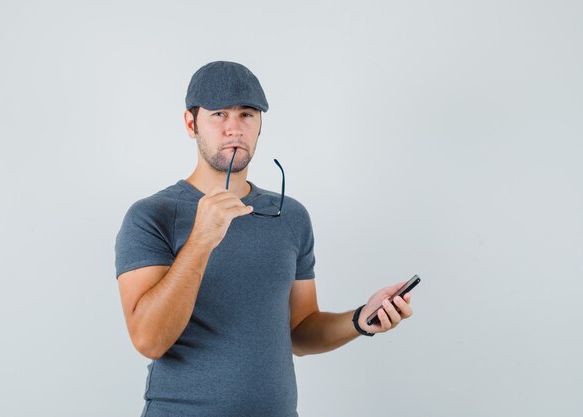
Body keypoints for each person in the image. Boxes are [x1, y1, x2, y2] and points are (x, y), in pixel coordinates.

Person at [115, 61, 414, 417]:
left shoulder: (291, 216)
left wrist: (359, 319)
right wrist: (200, 241)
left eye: (246, 114)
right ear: (190, 123)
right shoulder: (153, 215)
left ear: (259, 125)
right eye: (219, 114)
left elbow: (300, 332)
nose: (234, 129)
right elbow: (149, 339)